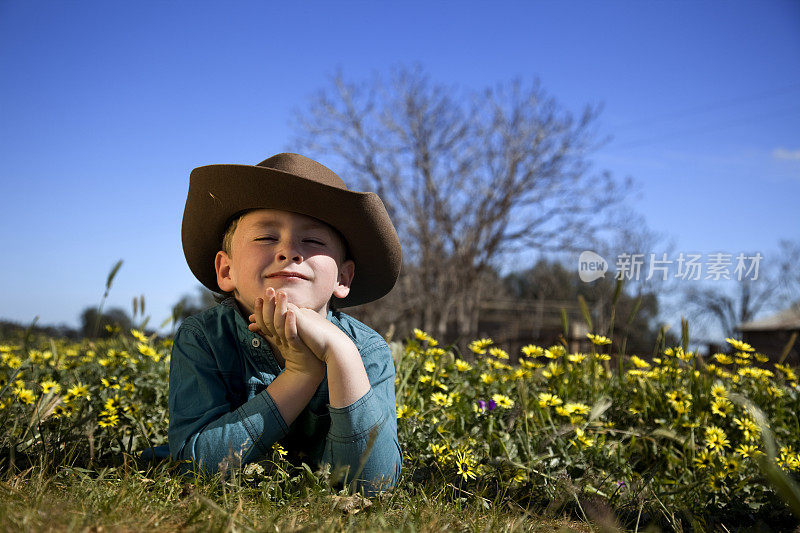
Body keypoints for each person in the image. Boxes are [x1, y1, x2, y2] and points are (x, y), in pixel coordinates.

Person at [167, 152, 403, 494]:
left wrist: (341, 355)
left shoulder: (367, 351)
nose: (289, 251)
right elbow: (193, 467)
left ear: (344, 276)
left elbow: (375, 484)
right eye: (265, 237)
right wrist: (300, 375)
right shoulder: (202, 339)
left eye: (313, 241)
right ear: (226, 270)